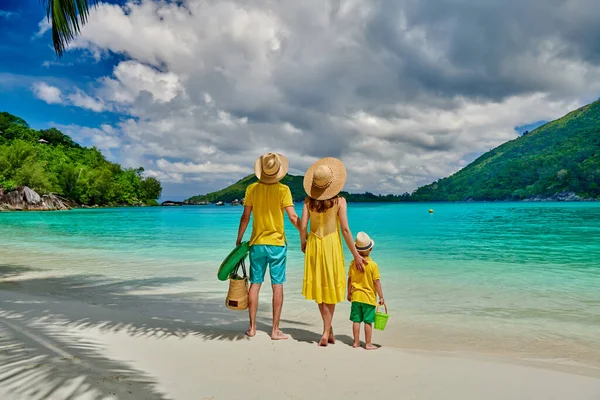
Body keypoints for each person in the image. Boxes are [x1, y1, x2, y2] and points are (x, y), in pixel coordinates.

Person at [300, 157, 366, 347]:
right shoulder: (340, 201)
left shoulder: (308, 201)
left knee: (320, 288)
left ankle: (327, 329)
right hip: (331, 245)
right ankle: (326, 331)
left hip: (314, 243)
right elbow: (345, 230)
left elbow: (303, 225)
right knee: (330, 287)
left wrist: (303, 243)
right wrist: (356, 254)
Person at [236, 152, 300, 340]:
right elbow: (293, 217)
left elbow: (245, 217)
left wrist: (239, 239)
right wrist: (305, 234)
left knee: (255, 284)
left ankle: (253, 328)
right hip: (277, 245)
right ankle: (274, 330)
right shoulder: (284, 190)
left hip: (257, 244)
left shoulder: (252, 189)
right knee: (277, 285)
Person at [347, 231, 385, 350]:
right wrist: (381, 296)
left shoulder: (353, 263)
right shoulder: (373, 265)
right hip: (368, 298)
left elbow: (350, 279)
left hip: (356, 297)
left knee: (356, 320)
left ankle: (356, 342)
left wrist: (348, 293)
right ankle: (368, 343)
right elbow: (376, 282)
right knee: (368, 321)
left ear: (356, 250)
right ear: (371, 249)